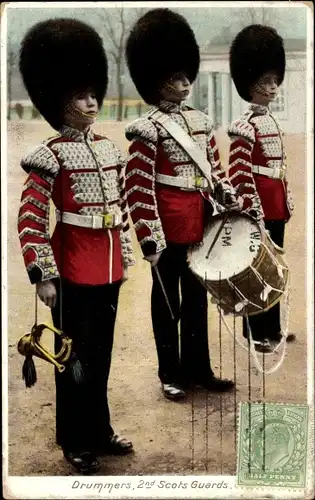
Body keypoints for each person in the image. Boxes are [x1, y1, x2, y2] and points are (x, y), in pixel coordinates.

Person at [17, 18, 135, 474]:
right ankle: (73, 438)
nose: (92, 102)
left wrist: (124, 251)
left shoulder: (109, 150)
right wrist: (43, 275)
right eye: (82, 96)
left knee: (100, 355)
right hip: (70, 267)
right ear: (61, 102)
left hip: (106, 268)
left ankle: (100, 429)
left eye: (93, 94)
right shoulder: (49, 155)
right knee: (72, 359)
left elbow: (121, 204)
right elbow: (31, 218)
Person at [124, 8, 243, 401]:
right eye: (176, 77)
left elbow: (215, 171)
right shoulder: (149, 129)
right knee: (167, 303)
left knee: (196, 301)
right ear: (158, 82)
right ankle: (169, 373)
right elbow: (138, 188)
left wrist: (226, 194)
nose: (185, 82)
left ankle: (198, 368)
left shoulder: (201, 122)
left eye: (185, 74)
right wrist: (149, 239)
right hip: (167, 227)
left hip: (199, 222)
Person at [227, 24, 295, 352]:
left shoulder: (271, 121)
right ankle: (255, 332)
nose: (272, 87)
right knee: (255, 272)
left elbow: (280, 169)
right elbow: (239, 172)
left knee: (274, 268)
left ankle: (272, 327)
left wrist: (286, 199)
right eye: (266, 82)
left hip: (276, 203)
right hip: (258, 207)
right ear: (250, 84)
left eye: (273, 81)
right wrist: (251, 207)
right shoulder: (244, 126)